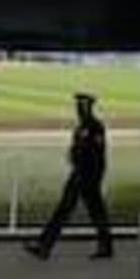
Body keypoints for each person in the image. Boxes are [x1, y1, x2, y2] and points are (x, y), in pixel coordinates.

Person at [25, 92, 113, 261]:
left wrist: (93, 176)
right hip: (78, 173)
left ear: (89, 107)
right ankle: (44, 246)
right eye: (78, 106)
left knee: (92, 211)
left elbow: (98, 154)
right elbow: (75, 149)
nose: (79, 110)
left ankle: (45, 246)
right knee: (67, 209)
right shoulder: (80, 128)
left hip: (89, 175)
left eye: (82, 106)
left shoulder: (96, 127)